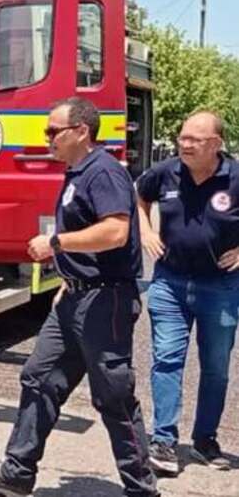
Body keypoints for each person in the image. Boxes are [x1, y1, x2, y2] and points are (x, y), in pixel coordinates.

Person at [0, 97, 158, 497]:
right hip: (76, 299)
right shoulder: (77, 172)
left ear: (81, 131)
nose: (47, 138)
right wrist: (68, 283)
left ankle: (142, 487)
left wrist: (55, 243)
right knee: (39, 378)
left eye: (54, 131)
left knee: (113, 395)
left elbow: (115, 233)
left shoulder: (103, 173)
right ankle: (17, 472)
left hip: (106, 303)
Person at [137, 110, 239, 476]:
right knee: (166, 359)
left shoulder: (236, 177)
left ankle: (205, 440)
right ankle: (163, 440)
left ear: (216, 144)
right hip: (170, 283)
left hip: (222, 287)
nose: (185, 144)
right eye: (182, 137)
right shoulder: (165, 172)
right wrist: (147, 231)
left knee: (216, 368)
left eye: (195, 139)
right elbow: (140, 196)